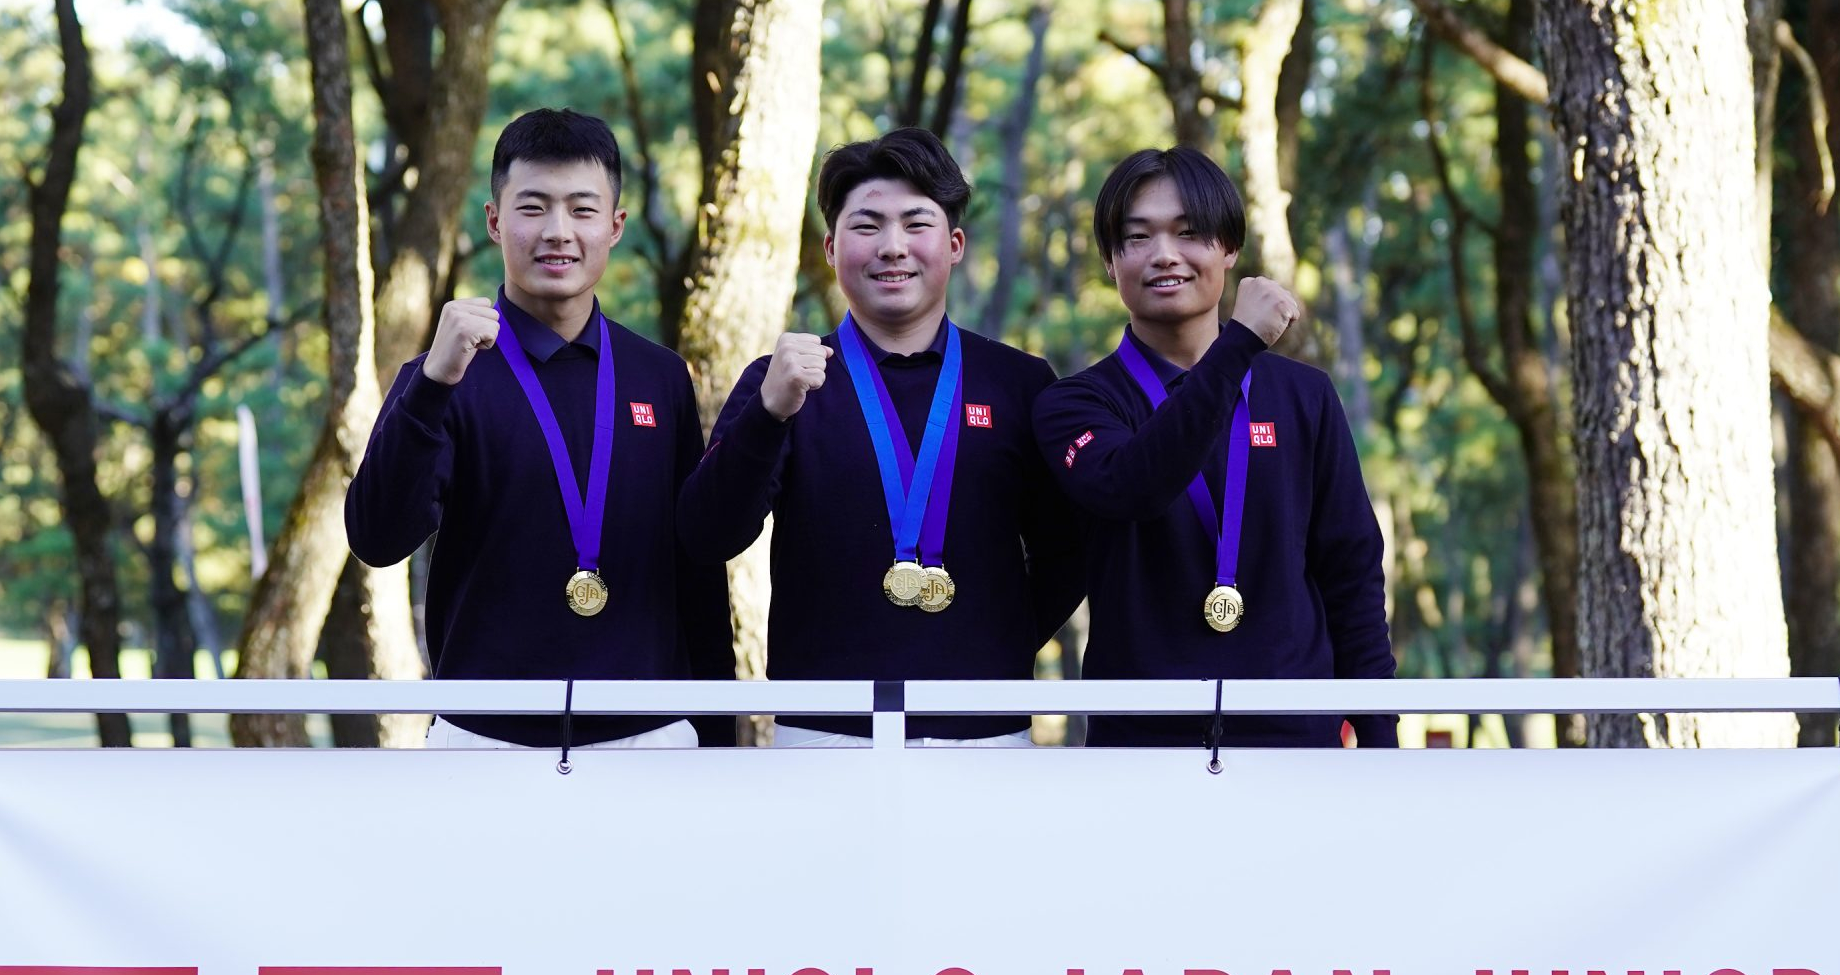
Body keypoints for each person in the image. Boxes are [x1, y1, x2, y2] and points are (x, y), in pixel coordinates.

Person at [680, 128, 1084, 744]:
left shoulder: (1019, 384)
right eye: (866, 226)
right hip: (821, 736)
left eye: (916, 224)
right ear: (831, 247)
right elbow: (706, 536)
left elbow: (1069, 547)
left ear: (954, 245)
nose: (893, 247)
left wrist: (998, 641)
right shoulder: (783, 381)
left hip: (986, 734)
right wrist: (768, 415)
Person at [345, 108, 731, 748]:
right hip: (484, 737)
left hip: (651, 737)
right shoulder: (443, 373)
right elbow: (377, 538)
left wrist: (717, 741)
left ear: (615, 226)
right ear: (494, 221)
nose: (558, 232)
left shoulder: (659, 377)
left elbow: (697, 569)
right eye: (533, 207)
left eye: (582, 209)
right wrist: (433, 384)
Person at [1034, 146, 1395, 747]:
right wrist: (1240, 345)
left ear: (1228, 247)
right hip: (1140, 747)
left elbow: (1351, 571)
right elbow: (1134, 486)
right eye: (1137, 237)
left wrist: (1382, 743)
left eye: (1189, 233)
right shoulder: (1075, 403)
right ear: (1110, 262)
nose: (1164, 254)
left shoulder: (1304, 396)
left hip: (1295, 741)